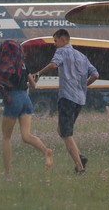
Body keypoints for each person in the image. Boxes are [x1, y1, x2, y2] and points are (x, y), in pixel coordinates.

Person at [34, 29, 98, 175]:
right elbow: (95, 74)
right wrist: (84, 85)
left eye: (55, 41)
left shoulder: (62, 52)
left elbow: (54, 65)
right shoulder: (82, 56)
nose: (54, 44)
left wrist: (39, 73)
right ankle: (80, 156)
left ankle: (80, 167)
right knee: (61, 130)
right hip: (79, 100)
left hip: (67, 97)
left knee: (65, 133)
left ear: (63, 39)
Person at [0, 39, 53, 180]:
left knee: (6, 138)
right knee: (26, 136)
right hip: (25, 99)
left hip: (13, 100)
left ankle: (7, 175)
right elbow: (33, 85)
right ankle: (45, 151)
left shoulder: (6, 64)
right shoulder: (22, 64)